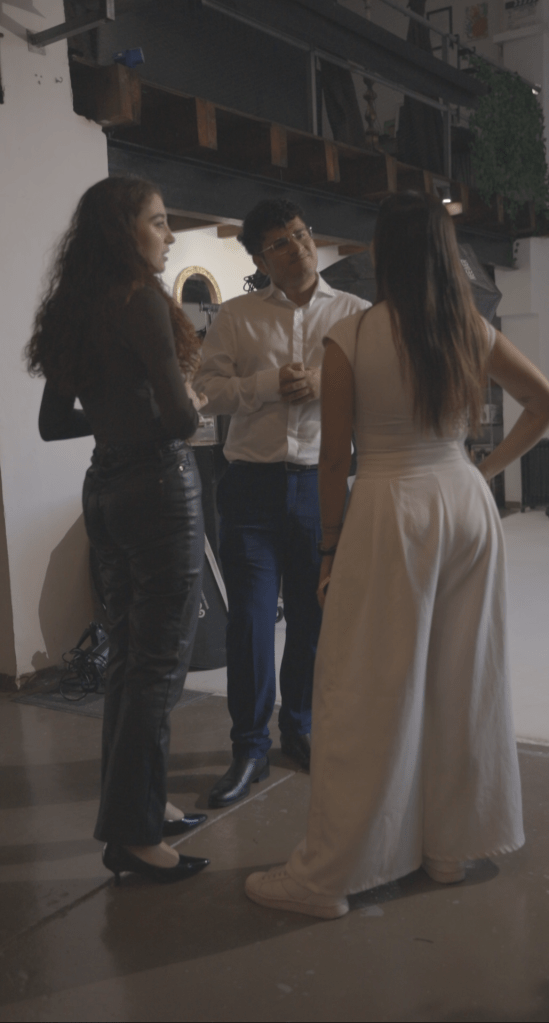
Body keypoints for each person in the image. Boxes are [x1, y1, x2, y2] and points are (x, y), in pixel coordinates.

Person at [245, 191, 549, 918]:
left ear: (384, 252)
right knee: (460, 676)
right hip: (463, 502)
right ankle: (448, 847)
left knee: (363, 687)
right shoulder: (467, 326)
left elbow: (333, 459)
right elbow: (543, 401)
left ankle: (327, 877)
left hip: (389, 507)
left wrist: (327, 548)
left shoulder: (351, 335)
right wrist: (482, 470)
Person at [26, 176, 210, 885]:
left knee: (129, 662)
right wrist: (186, 399)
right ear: (123, 232)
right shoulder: (142, 301)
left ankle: (143, 805)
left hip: (105, 489)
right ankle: (133, 837)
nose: (169, 234)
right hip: (159, 489)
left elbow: (52, 424)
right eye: (158, 222)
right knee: (156, 666)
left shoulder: (74, 307)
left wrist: (114, 415)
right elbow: (181, 421)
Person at [195, 198, 370, 808]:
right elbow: (207, 392)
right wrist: (267, 386)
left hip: (323, 484)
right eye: (279, 243)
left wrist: (328, 383)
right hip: (251, 486)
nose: (297, 248)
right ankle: (249, 747)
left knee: (312, 617)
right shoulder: (236, 316)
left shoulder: (353, 313)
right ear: (258, 259)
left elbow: (376, 389)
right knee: (248, 621)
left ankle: (299, 727)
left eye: (300, 234)